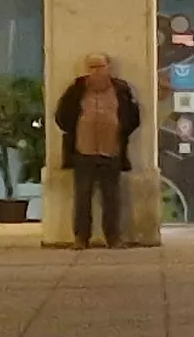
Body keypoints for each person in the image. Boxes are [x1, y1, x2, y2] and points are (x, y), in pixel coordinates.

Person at [53, 56, 143, 248]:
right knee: (82, 196)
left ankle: (114, 237)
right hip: (83, 149)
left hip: (111, 149)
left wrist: (120, 130)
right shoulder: (76, 89)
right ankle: (81, 238)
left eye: (100, 66)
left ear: (108, 67)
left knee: (112, 196)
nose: (96, 71)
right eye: (92, 67)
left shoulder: (121, 89)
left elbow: (133, 116)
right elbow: (62, 115)